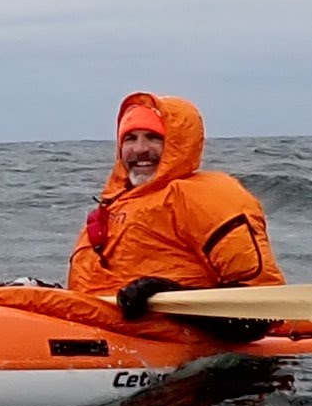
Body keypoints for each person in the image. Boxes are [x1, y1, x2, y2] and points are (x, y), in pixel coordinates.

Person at [70, 91, 281, 322]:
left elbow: (259, 309)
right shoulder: (114, 204)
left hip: (170, 334)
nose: (140, 149)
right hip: (98, 324)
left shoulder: (204, 197)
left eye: (153, 137)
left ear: (177, 144)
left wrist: (168, 294)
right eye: (130, 138)